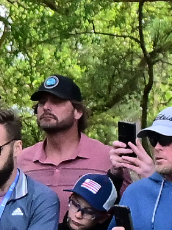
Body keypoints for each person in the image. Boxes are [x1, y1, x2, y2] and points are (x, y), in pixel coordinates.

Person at [17, 74, 117, 208]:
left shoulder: (108, 158)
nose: (46, 107)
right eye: (42, 102)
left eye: (57, 101)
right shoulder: (21, 161)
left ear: (78, 112)